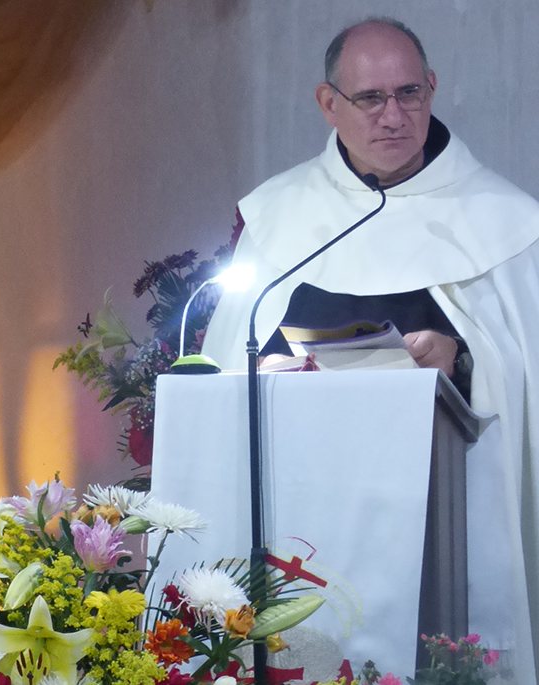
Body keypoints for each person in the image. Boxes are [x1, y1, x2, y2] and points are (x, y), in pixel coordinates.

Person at [201, 18, 539, 681]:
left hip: (445, 516)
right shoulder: (281, 214)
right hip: (301, 507)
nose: (394, 116)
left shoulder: (503, 219)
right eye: (370, 99)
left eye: (410, 93)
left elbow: (522, 370)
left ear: (434, 89)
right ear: (329, 104)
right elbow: (232, 362)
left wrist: (462, 356)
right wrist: (266, 369)